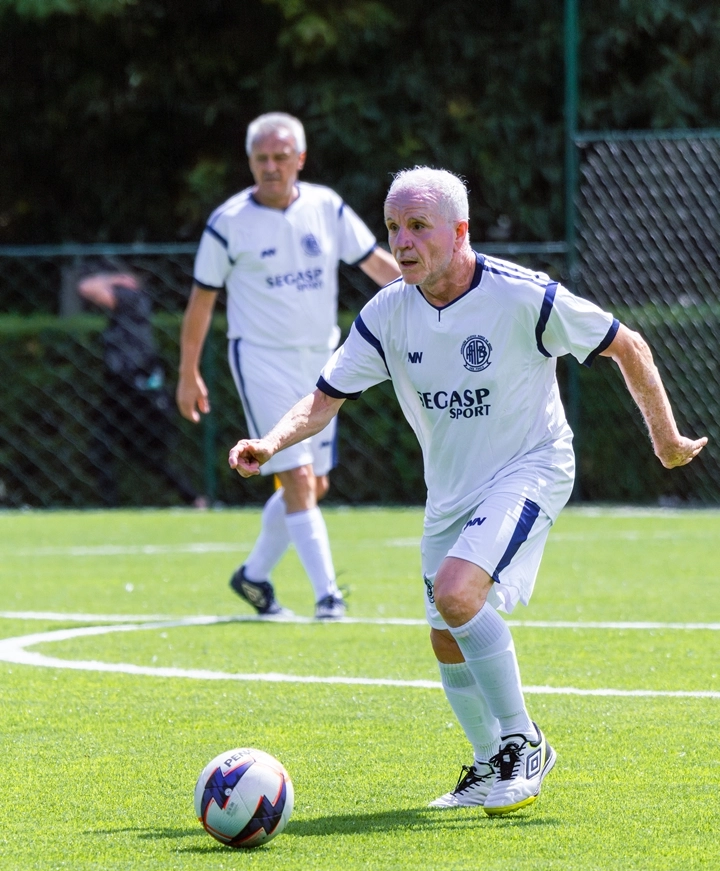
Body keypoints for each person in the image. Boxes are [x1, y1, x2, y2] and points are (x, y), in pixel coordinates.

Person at [227, 166, 707, 815]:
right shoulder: (388, 312)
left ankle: (524, 742)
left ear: (460, 231)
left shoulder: (522, 296)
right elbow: (324, 397)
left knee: (457, 594)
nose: (401, 241)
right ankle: (488, 765)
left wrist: (667, 439)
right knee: (444, 632)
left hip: (531, 466)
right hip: (451, 491)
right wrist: (270, 442)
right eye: (394, 227)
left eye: (418, 227)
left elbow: (628, 346)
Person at [177, 112, 400, 620]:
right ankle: (329, 598)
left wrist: (430, 290)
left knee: (314, 486)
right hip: (260, 360)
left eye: (281, 157)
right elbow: (201, 301)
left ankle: (253, 577)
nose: (271, 167)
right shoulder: (228, 223)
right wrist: (188, 371)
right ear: (250, 162)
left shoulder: (327, 207)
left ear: (300, 159)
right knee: (297, 479)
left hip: (323, 359)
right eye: (262, 159)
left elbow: (375, 262)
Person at [78, 271, 204, 508]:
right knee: (103, 448)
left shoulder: (129, 298)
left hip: (137, 395)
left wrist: (112, 279)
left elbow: (87, 287)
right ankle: (109, 504)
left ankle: (194, 498)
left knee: (143, 454)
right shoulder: (131, 309)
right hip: (120, 393)